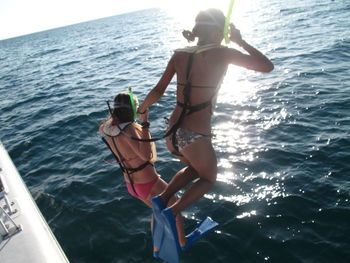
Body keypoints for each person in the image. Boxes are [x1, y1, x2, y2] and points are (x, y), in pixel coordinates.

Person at [137, 8, 274, 218]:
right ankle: (171, 214)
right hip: (193, 134)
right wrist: (240, 41)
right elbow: (267, 66)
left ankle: (162, 198)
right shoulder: (223, 52)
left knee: (195, 168)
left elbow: (158, 90)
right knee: (209, 178)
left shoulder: (179, 54)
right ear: (220, 33)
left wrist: (142, 110)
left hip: (172, 132)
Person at [99, 92, 186, 251]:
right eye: (136, 107)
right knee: (175, 205)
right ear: (131, 109)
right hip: (148, 182)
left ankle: (157, 247)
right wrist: (145, 123)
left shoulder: (107, 128)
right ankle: (182, 242)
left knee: (158, 211)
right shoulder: (129, 129)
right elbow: (146, 156)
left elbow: (108, 128)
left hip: (132, 185)